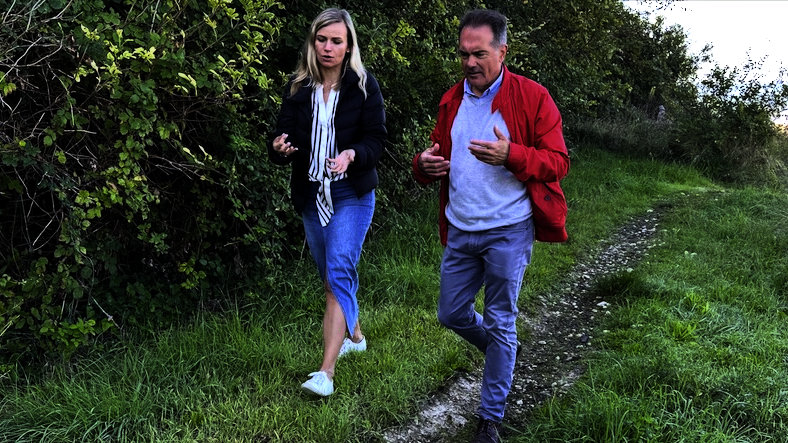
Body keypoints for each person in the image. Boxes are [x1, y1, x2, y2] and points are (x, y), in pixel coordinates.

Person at [412, 9, 569, 443]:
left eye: (479, 54)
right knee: (451, 312)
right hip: (461, 228)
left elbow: (558, 162)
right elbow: (436, 158)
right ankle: (504, 353)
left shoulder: (534, 97)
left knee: (501, 319)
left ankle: (489, 420)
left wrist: (512, 155)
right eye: (464, 54)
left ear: (502, 51)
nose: (469, 63)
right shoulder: (452, 99)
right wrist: (423, 166)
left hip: (508, 229)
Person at [269, 8, 386, 397]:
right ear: (312, 42)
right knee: (330, 276)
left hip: (351, 193)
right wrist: (279, 147)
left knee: (338, 271)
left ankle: (326, 373)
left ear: (348, 44)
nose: (328, 47)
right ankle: (354, 334)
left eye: (336, 40)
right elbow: (280, 136)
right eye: (322, 39)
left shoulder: (364, 86)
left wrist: (353, 154)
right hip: (311, 194)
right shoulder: (298, 87)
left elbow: (376, 140)